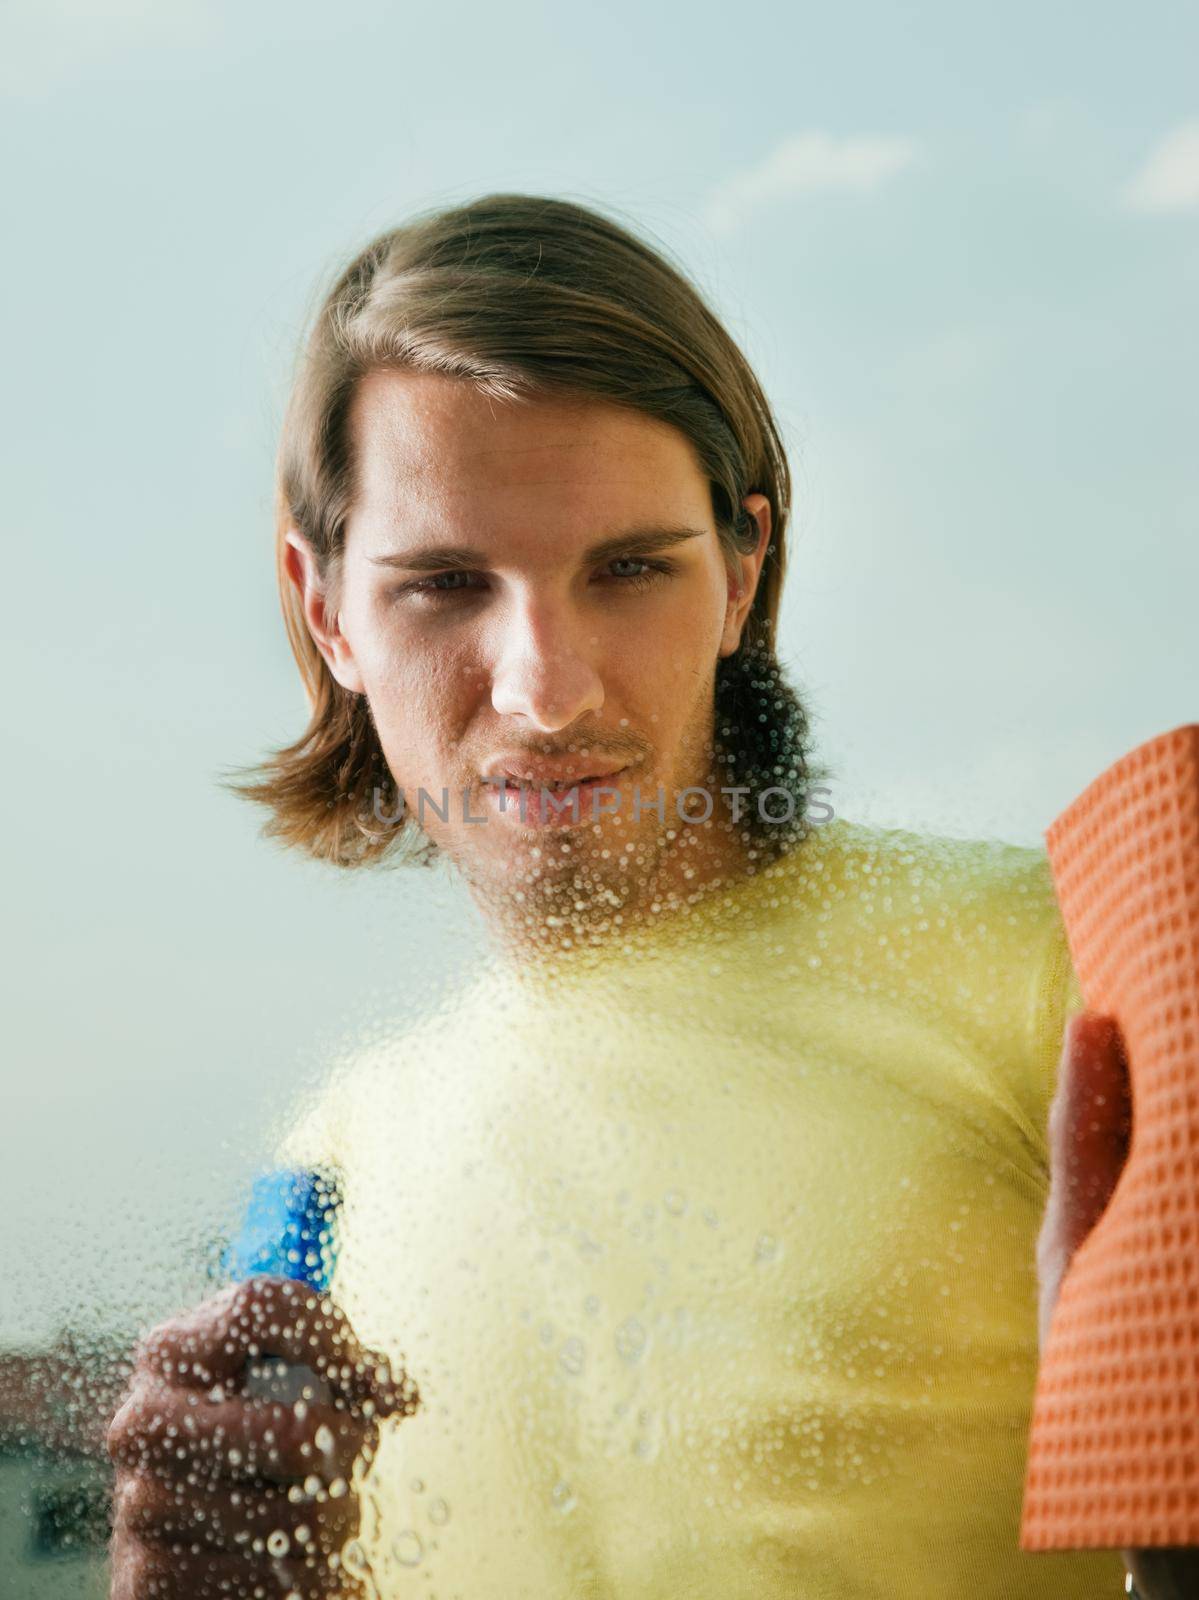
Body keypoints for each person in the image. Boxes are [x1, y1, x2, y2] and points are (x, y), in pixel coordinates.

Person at [105, 194, 1190, 1598]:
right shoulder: (329, 1164)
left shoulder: (1077, 970)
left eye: (628, 570)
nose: (545, 690)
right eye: (442, 585)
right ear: (327, 615)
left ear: (743, 571)